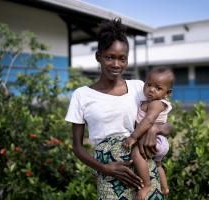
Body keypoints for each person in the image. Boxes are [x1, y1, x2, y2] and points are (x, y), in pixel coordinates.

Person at [65, 18, 171, 199]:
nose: (116, 64)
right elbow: (77, 146)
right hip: (109, 174)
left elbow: (168, 126)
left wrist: (155, 129)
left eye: (122, 59)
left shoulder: (140, 88)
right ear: (98, 56)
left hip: (144, 170)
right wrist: (104, 168)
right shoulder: (82, 95)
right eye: (109, 57)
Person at [123, 67, 174, 199]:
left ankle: (146, 185)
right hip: (160, 142)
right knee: (158, 164)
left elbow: (149, 120)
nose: (151, 89)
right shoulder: (147, 102)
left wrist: (133, 137)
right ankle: (165, 187)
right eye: (148, 85)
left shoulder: (157, 103)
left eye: (158, 88)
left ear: (167, 93)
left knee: (135, 153)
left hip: (156, 140)